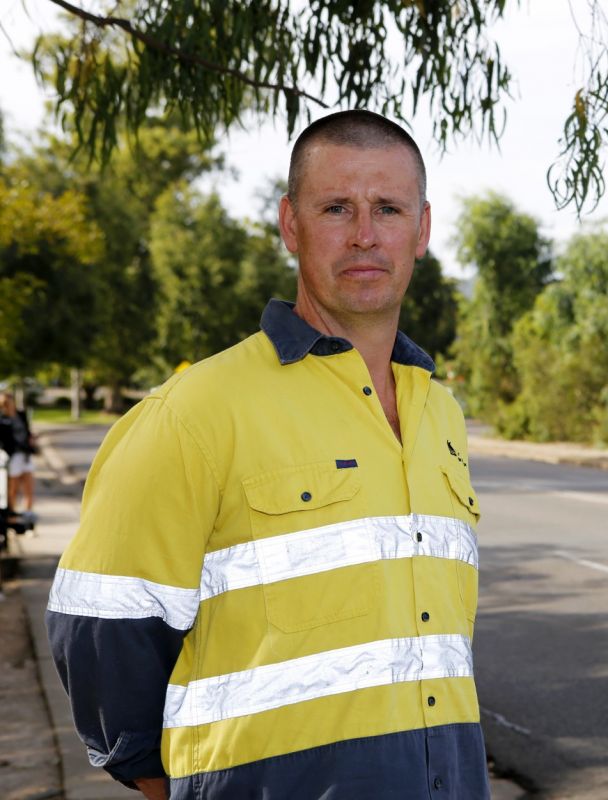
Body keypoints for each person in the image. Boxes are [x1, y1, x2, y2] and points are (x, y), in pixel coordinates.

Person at [46, 110, 489, 799]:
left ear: (422, 229)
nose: (366, 234)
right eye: (337, 208)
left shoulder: (441, 414)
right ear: (290, 225)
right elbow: (100, 634)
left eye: (389, 208)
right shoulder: (193, 414)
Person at [0, 391, 36, 515]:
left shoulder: (21, 415)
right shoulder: (2, 419)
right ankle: (12, 513)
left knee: (29, 487)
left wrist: (31, 439)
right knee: (13, 489)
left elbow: (27, 431)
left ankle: (28, 513)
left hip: (25, 454)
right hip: (13, 456)